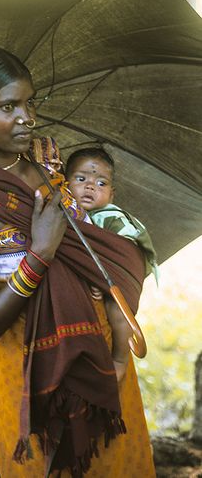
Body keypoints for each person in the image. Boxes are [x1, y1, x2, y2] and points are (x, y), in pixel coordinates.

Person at [0, 46, 156, 477]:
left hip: (100, 364)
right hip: (30, 377)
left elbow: (98, 245)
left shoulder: (52, 170)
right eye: (7, 107)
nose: (27, 117)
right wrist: (39, 254)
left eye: (29, 102)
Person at [65, 147, 158, 384]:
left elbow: (123, 255)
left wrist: (102, 279)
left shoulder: (112, 217)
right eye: (81, 178)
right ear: (65, 184)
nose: (90, 186)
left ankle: (120, 359)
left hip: (113, 282)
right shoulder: (63, 216)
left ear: (112, 194)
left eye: (101, 183)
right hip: (83, 284)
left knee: (118, 310)